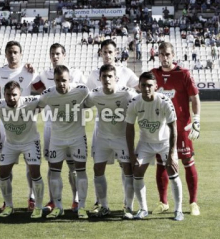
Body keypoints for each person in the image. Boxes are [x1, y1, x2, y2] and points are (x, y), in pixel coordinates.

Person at [86, 39, 139, 213]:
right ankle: (102, 204)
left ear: (116, 53)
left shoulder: (126, 74)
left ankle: (128, 205)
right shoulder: (94, 76)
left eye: (110, 51)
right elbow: (85, 99)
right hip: (101, 129)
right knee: (98, 166)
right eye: (104, 52)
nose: (107, 55)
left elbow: (139, 91)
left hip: (121, 131)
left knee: (126, 167)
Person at [126, 69, 184, 222]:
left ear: (156, 86)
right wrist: (132, 155)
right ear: (139, 86)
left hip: (165, 142)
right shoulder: (135, 102)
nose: (146, 88)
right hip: (145, 143)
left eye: (149, 85)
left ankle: (178, 210)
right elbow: (129, 128)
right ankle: (143, 208)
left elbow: (173, 128)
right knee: (137, 171)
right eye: (143, 85)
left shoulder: (164, 101)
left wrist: (172, 154)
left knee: (173, 170)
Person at [0, 41, 45, 211]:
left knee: (32, 166)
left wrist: (36, 107)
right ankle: (7, 203)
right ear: (5, 54)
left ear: (21, 54)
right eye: (9, 52)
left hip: (27, 120)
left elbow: (41, 88)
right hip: (7, 123)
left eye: (15, 52)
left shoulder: (28, 71)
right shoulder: (0, 72)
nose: (13, 55)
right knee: (5, 166)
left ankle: (32, 198)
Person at [151, 42, 201, 216]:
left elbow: (194, 98)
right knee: (162, 164)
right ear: (158, 55)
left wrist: (197, 120)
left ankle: (193, 202)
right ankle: (163, 202)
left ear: (173, 55)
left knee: (187, 162)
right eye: (162, 54)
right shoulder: (153, 74)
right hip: (160, 128)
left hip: (181, 127)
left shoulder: (184, 74)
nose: (165, 58)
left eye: (168, 54)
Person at [38, 65, 89, 219]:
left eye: (64, 80)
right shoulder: (47, 95)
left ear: (70, 79)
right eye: (58, 80)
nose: (61, 83)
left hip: (77, 138)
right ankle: (58, 206)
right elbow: (36, 106)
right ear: (54, 80)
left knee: (80, 171)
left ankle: (81, 206)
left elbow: (94, 100)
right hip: (57, 139)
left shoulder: (81, 90)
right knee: (54, 172)